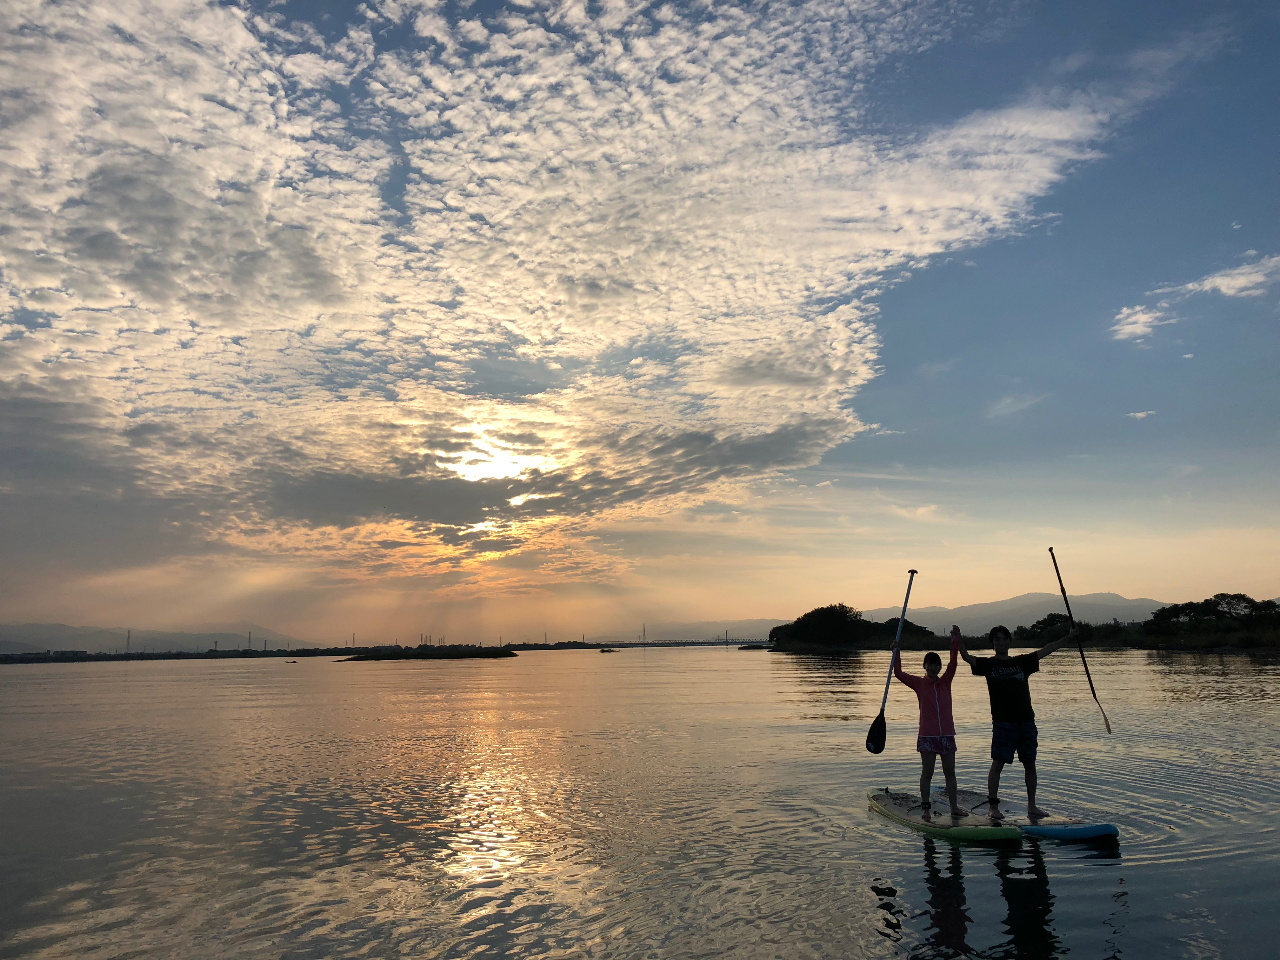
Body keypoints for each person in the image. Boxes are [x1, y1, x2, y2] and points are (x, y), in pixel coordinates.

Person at [957, 623, 1075, 819]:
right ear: (992, 644)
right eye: (997, 640)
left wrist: (1068, 638)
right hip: (1003, 723)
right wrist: (958, 639)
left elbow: (1046, 650)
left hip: (1026, 721)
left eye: (1004, 639)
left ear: (1010, 642)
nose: (1001, 642)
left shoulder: (1022, 662)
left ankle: (1032, 806)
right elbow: (966, 657)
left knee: (1030, 764)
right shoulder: (989, 665)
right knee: (997, 765)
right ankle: (993, 808)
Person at [894, 626, 967, 819]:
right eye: (930, 664)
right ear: (924, 666)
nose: (934, 668)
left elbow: (953, 662)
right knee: (927, 773)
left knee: (950, 772)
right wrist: (896, 652)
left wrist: (956, 639)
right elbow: (899, 673)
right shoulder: (919, 684)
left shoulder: (945, 682)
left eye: (937, 665)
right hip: (927, 735)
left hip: (947, 735)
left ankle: (954, 808)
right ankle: (926, 809)